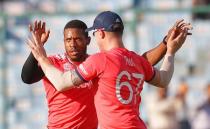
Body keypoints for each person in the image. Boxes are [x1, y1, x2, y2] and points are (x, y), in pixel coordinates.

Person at [26, 11, 192, 129]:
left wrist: (41, 57)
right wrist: (170, 51)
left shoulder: (99, 60)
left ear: (100, 33)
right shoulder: (135, 60)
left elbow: (62, 83)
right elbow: (164, 79)